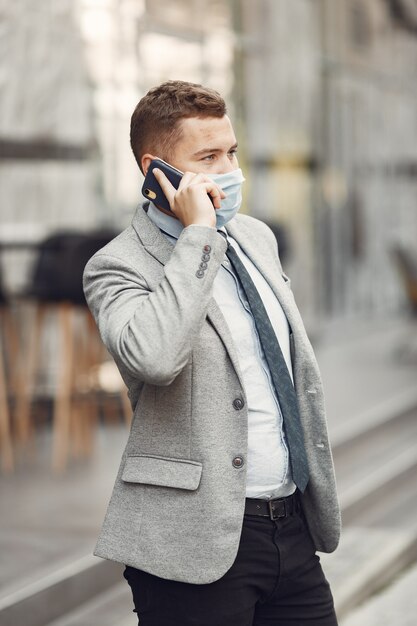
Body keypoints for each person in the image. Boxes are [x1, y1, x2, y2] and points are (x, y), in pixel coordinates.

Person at [83, 80, 341, 626]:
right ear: (157, 171)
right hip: (192, 541)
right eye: (208, 157)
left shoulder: (255, 237)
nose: (229, 169)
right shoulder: (117, 266)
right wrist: (198, 235)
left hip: (291, 530)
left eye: (232, 152)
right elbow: (153, 357)